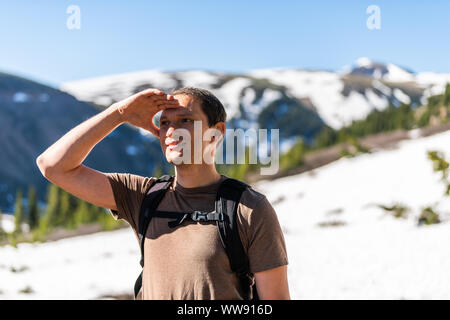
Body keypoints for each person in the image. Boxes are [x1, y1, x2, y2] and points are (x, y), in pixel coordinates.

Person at [36, 86, 290, 300]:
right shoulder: (143, 196)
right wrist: (119, 113)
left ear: (217, 132)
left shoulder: (248, 208)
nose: (171, 132)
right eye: (164, 123)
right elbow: (53, 166)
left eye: (185, 121)